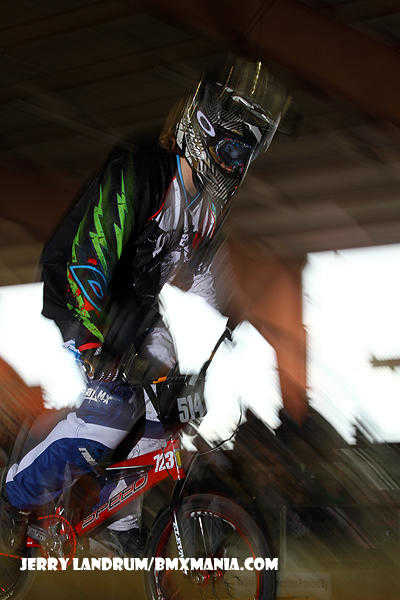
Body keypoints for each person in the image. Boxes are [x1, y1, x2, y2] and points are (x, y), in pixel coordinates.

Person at [0, 55, 290, 555]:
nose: (236, 164)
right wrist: (95, 345)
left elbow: (199, 271)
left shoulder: (207, 207)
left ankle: (117, 516)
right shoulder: (139, 172)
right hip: (81, 292)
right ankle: (12, 497)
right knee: (113, 410)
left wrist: (232, 309)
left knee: (172, 410)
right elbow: (90, 260)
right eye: (231, 148)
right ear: (201, 133)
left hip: (135, 305)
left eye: (245, 156)